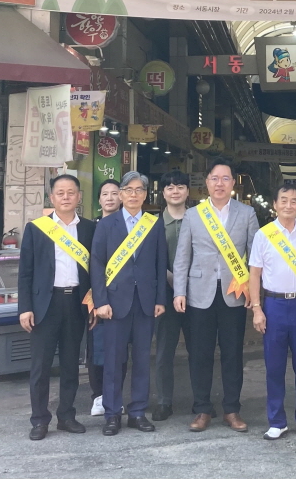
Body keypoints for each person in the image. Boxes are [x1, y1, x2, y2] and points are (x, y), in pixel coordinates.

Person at [173, 158, 259, 433]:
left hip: (235, 293)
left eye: (225, 178)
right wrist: (179, 291)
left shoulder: (247, 213)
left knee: (233, 353)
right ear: (207, 182)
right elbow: (182, 257)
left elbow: (256, 257)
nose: (219, 183)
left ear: (233, 183)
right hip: (199, 293)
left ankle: (232, 409)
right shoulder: (193, 215)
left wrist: (254, 293)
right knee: (200, 353)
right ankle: (202, 409)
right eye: (214, 178)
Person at [17, 174, 96, 440]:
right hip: (44, 305)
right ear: (51, 197)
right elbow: (25, 272)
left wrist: (94, 304)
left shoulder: (89, 228)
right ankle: (40, 420)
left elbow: (95, 271)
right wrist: (25, 307)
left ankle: (66, 416)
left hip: (76, 303)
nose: (65, 197)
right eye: (60, 193)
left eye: (71, 192)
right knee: (41, 366)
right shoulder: (36, 228)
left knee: (71, 364)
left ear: (79, 197)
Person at [91, 171, 167, 436]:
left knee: (142, 360)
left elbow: (160, 263)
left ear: (145, 195)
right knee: (113, 361)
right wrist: (100, 301)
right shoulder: (106, 225)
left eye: (139, 190)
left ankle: (137, 412)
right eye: (129, 190)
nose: (134, 195)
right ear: (121, 194)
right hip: (114, 303)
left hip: (145, 302)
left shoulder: (153, 224)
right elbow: (96, 264)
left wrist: (160, 299)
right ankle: (112, 414)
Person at [248, 185, 296, 440]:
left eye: (294, 201)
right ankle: (277, 421)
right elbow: (255, 274)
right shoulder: (264, 235)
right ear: (275, 204)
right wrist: (257, 309)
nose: (289, 205)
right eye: (284, 200)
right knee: (274, 366)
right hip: (274, 306)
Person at [152, 170, 190, 422]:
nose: (175, 191)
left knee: (199, 349)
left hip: (196, 294)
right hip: (164, 294)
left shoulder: (199, 220)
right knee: (165, 351)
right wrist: (171, 279)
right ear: (163, 193)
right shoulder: (153, 224)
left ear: (188, 191)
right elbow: (150, 258)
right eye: (170, 187)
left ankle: (201, 401)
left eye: (180, 186)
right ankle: (164, 401)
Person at [89, 179, 121, 417]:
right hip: (95, 297)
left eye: (114, 193)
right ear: (99, 199)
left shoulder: (131, 227)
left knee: (120, 350)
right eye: (105, 194)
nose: (110, 198)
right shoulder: (90, 228)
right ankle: (98, 395)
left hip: (122, 297)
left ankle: (116, 396)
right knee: (97, 347)